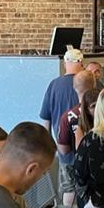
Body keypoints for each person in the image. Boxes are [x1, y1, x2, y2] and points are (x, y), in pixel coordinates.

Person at [39, 48, 84, 197]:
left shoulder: (53, 86)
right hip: (88, 151)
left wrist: (49, 149)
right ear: (81, 63)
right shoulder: (90, 84)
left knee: (68, 189)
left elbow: (46, 121)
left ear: (65, 64)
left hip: (64, 150)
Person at [57, 70, 95, 205]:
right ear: (94, 85)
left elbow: (63, 150)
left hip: (75, 163)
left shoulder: (67, 117)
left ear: (74, 88)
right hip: (98, 166)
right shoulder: (102, 113)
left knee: (69, 190)